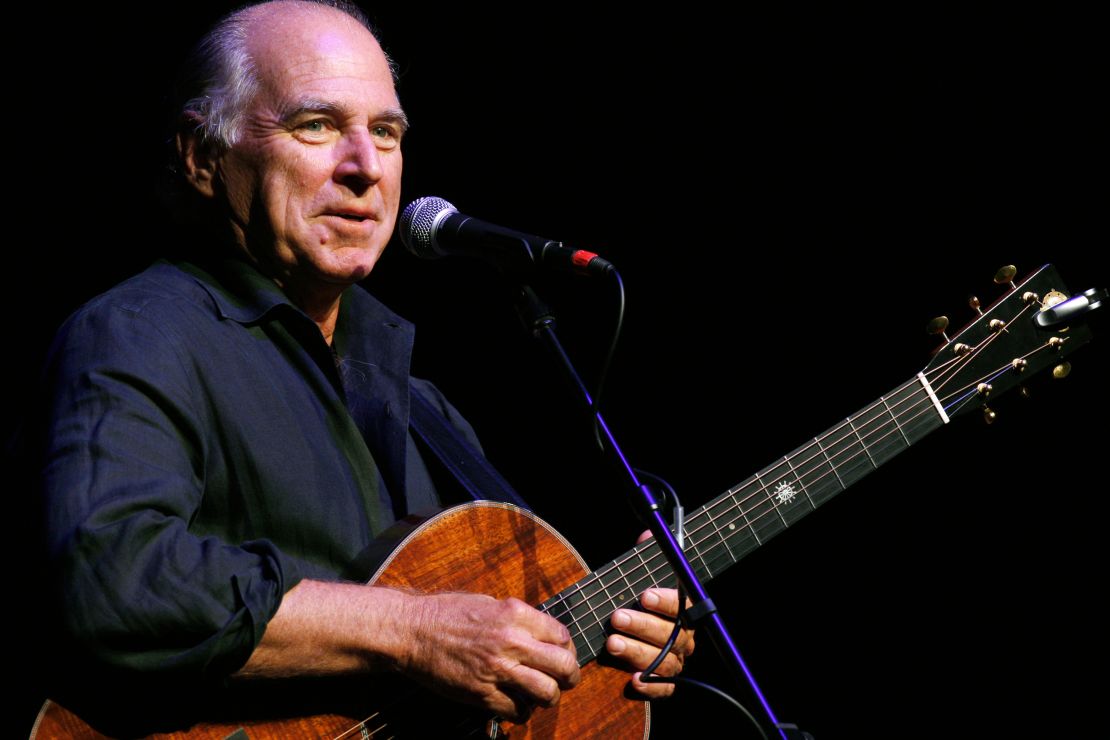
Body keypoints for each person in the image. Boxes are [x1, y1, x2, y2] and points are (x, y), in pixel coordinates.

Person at [26, 0, 693, 735]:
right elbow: (111, 581)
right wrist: (411, 632)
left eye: (386, 132)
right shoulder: (138, 333)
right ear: (200, 155)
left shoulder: (424, 408)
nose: (365, 168)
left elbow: (487, 646)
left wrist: (616, 642)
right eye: (316, 125)